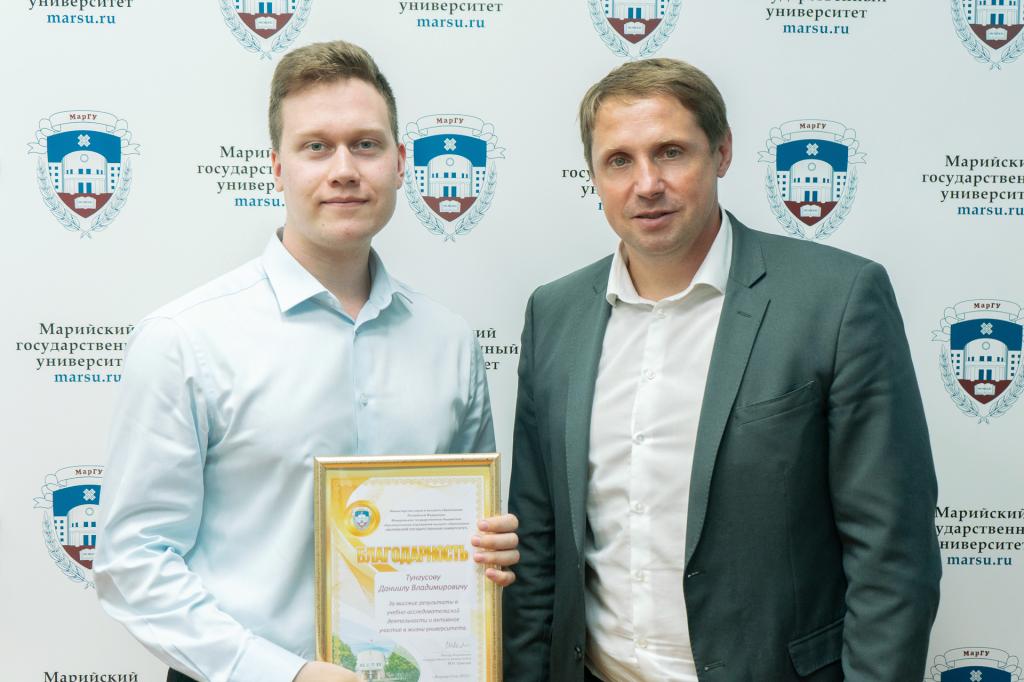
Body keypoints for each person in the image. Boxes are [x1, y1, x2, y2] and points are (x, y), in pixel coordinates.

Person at [503, 58, 940, 681]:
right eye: (619, 160)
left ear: (723, 152)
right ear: (594, 175)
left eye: (671, 152)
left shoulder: (837, 300)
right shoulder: (554, 314)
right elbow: (538, 542)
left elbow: (892, 556)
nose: (647, 183)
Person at [94, 40, 519, 682]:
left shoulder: (451, 342)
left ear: (401, 163)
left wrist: (486, 549)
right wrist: (281, 674)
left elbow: (468, 534)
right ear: (277, 168)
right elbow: (133, 562)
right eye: (316, 146)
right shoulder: (185, 339)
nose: (344, 170)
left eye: (366, 145)